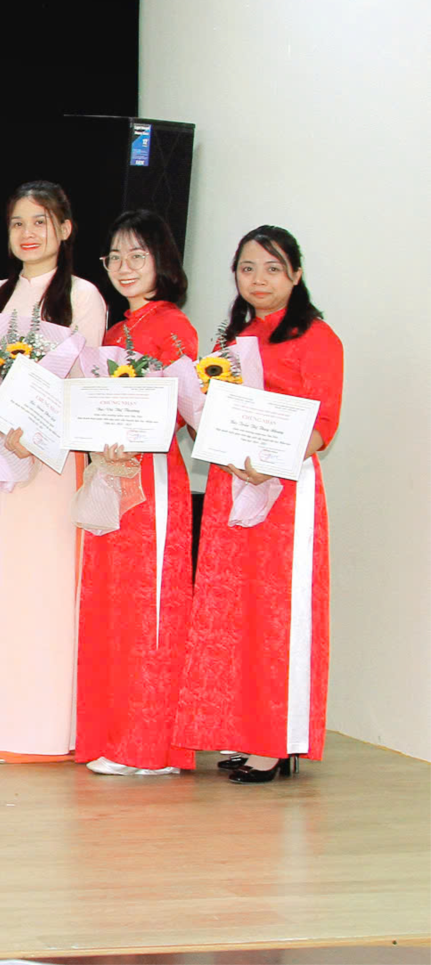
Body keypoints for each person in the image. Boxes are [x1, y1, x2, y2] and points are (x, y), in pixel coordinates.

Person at [175, 226, 343, 783]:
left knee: (276, 616)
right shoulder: (234, 341)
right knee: (232, 613)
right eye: (247, 268)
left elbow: (324, 424)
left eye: (272, 268)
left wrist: (272, 460)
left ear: (296, 274)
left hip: (285, 489)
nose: (259, 279)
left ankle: (276, 741)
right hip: (230, 484)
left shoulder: (318, 337)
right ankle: (243, 732)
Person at [0, 180, 105, 763]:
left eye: (40, 221)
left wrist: (35, 424)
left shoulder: (84, 297)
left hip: (51, 460)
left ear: (65, 229)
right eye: (18, 222)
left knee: (43, 588)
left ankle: (42, 735)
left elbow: (87, 383)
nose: (28, 233)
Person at [77, 210, 197, 776]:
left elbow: (187, 409)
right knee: (114, 608)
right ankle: (114, 735)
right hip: (112, 474)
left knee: (151, 608)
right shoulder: (112, 334)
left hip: (154, 480)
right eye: (115, 257)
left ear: (162, 262)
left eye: (137, 256)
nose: (124, 267)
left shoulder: (174, 327)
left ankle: (151, 749)